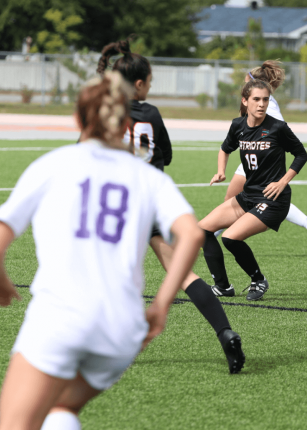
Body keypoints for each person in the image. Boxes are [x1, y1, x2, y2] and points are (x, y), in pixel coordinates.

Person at [0, 72, 204, 430]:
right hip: (121, 329)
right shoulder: (149, 178)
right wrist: (161, 304)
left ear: (77, 118)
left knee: (16, 425)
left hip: (62, 318)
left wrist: (1, 284)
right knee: (60, 410)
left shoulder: (53, 165)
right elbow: (191, 234)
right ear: (127, 123)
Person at [97, 38, 244, 373]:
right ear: (138, 84)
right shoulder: (151, 113)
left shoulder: (103, 109)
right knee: (183, 274)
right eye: (150, 81)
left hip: (117, 207)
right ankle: (224, 332)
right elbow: (166, 154)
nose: (151, 87)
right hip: (151, 204)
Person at [200, 79, 307, 301]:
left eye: (265, 100)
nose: (261, 104)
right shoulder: (238, 126)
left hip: (273, 200)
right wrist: (221, 171)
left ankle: (258, 280)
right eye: (256, 99)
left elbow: (301, 154)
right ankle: (223, 287)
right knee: (202, 230)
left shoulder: (277, 128)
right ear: (245, 101)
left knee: (230, 238)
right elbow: (225, 148)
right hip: (248, 196)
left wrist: (283, 181)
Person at [218, 60, 307, 252]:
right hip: (254, 154)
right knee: (258, 198)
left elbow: (279, 133)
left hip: (260, 157)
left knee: (240, 199)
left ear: (253, 81)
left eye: (246, 79)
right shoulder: (260, 100)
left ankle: (209, 236)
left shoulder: (267, 105)